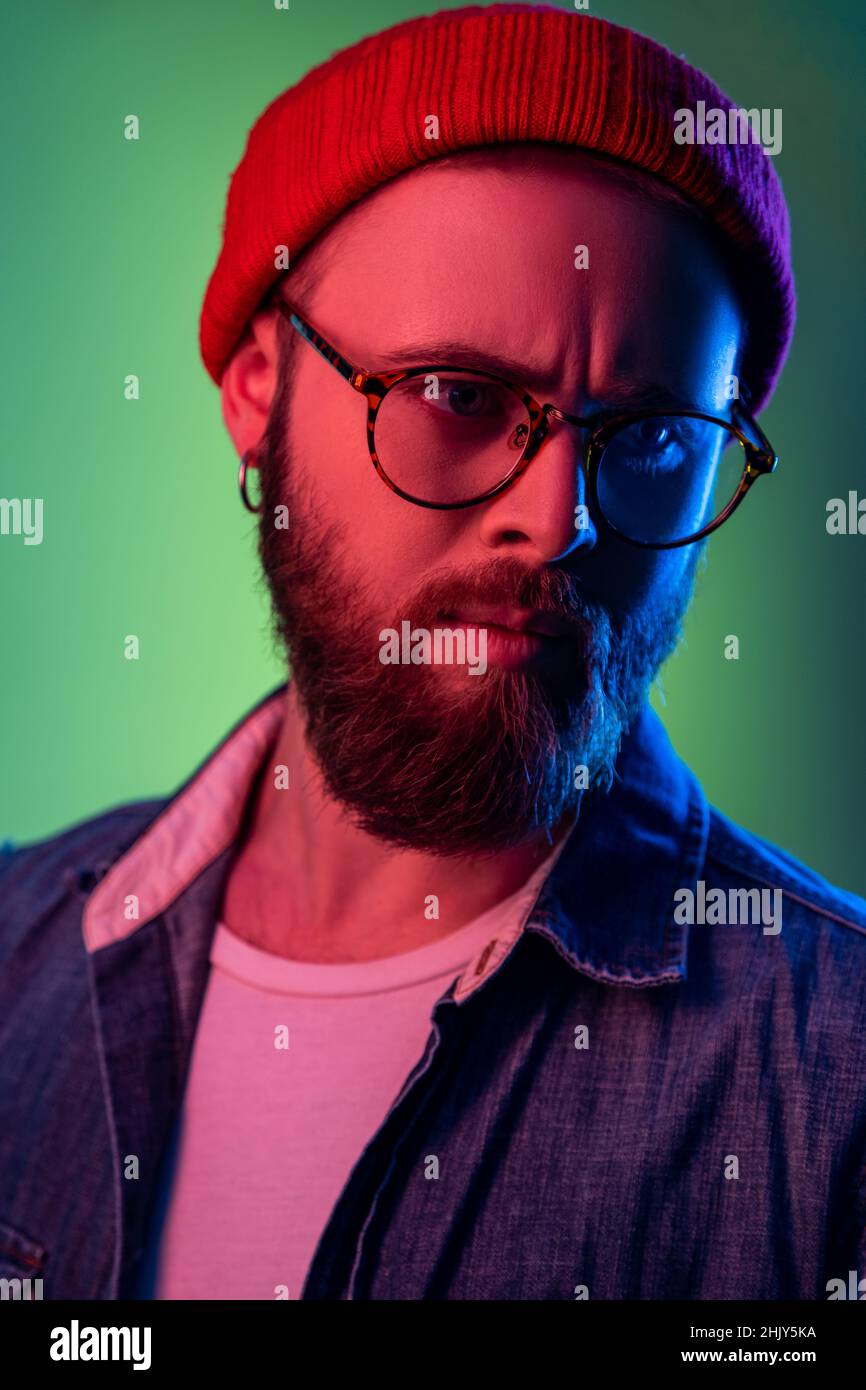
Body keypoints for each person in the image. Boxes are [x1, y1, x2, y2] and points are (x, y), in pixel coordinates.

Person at [2, 4, 865, 1302]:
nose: (558, 520)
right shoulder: (17, 956)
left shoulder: (833, 1082)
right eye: (458, 397)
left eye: (650, 436)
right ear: (256, 387)